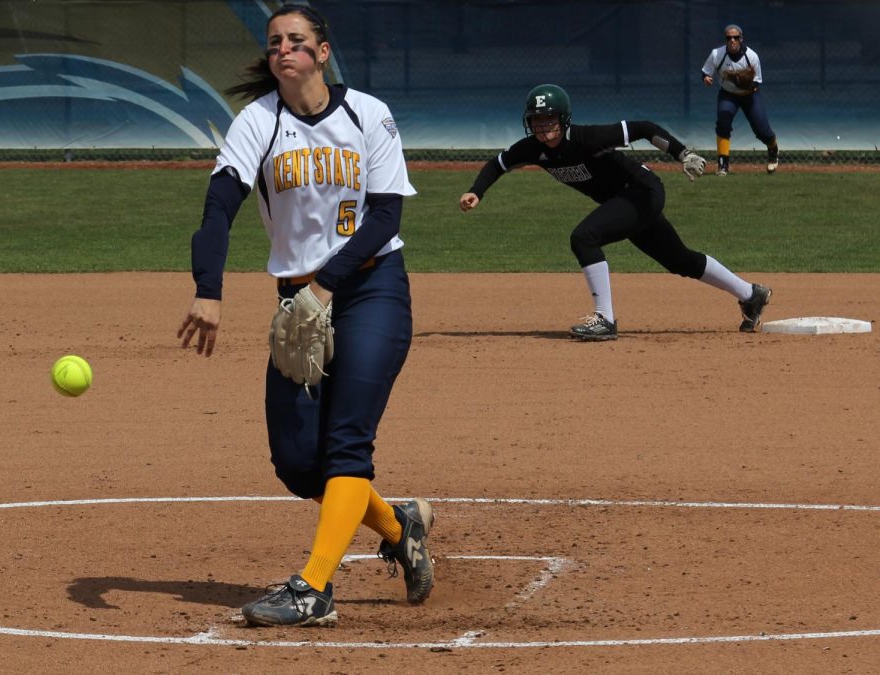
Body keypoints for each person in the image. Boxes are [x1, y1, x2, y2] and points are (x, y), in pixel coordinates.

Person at [177, 4, 433, 627]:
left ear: (322, 52)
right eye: (274, 43)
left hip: (372, 290)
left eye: (296, 41)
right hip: (298, 303)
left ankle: (313, 590)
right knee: (297, 464)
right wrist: (208, 289)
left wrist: (325, 284)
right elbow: (217, 210)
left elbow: (385, 219)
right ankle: (399, 526)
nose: (283, 50)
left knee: (347, 440)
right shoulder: (258, 122)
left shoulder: (367, 114)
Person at [459, 84, 772, 341]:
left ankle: (605, 320)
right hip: (625, 201)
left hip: (641, 192)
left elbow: (643, 128)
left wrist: (682, 153)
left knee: (584, 237)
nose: (543, 127)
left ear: (564, 119)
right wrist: (477, 191)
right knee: (679, 259)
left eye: (549, 119)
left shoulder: (586, 139)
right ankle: (751, 294)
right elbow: (497, 164)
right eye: (537, 121)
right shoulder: (532, 149)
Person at [701, 24, 779, 175]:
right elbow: (705, 72)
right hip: (728, 94)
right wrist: (706, 78)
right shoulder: (717, 54)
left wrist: (744, 83)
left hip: (749, 95)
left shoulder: (751, 56)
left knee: (762, 131)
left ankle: (773, 148)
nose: (732, 41)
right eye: (729, 38)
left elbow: (757, 82)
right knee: (723, 122)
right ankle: (723, 164)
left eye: (736, 37)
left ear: (741, 38)